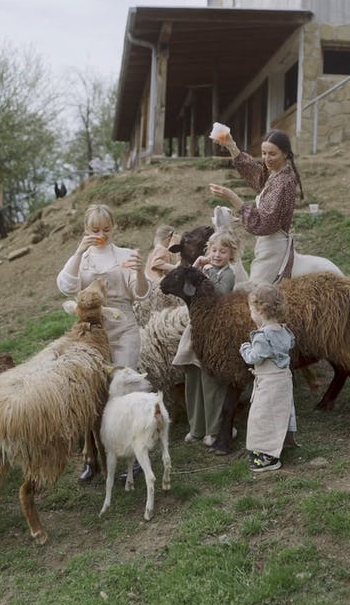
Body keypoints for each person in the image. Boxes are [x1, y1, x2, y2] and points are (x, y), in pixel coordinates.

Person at [57, 203, 151, 482]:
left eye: (106, 229)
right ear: (86, 230)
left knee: (122, 393)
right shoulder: (82, 260)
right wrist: (77, 252)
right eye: (95, 229)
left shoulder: (125, 255)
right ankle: (93, 454)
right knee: (94, 395)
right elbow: (65, 287)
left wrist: (141, 271)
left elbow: (141, 294)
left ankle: (134, 457)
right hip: (93, 334)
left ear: (114, 228)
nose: (101, 234)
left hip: (123, 331)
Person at [209, 127, 304, 284]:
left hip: (273, 246)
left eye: (272, 154)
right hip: (267, 243)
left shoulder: (284, 181)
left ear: (285, 154)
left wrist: (233, 198)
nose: (267, 158)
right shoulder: (275, 174)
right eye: (264, 153)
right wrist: (231, 145)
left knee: (255, 294)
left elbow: (264, 223)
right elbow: (256, 175)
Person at [172, 230, 239, 447]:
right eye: (214, 250)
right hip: (196, 329)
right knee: (193, 377)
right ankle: (196, 427)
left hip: (214, 330)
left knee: (210, 380)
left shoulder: (228, 274)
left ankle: (213, 429)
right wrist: (196, 267)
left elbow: (217, 294)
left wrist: (199, 275)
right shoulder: (205, 269)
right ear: (207, 251)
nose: (218, 254)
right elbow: (185, 284)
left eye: (223, 250)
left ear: (231, 254)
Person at [239, 281, 296, 472]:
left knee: (261, 416)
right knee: (278, 413)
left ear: (261, 310)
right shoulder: (284, 330)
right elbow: (289, 346)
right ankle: (277, 445)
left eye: (252, 310)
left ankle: (267, 457)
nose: (251, 314)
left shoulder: (262, 336)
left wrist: (245, 348)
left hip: (269, 383)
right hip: (283, 380)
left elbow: (254, 357)